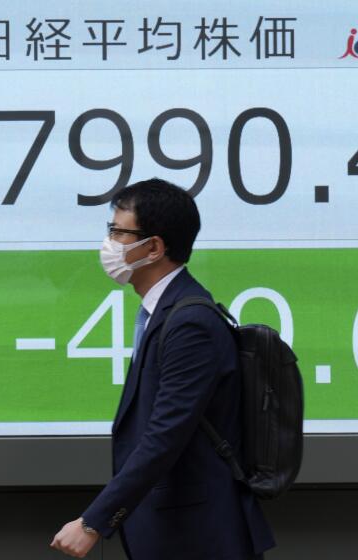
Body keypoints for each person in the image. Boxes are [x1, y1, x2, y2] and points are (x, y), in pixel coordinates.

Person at [51, 179, 275, 559]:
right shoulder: (165, 313)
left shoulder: (190, 324)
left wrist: (93, 522)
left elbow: (165, 435)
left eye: (118, 232)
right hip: (176, 532)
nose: (109, 244)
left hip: (197, 539)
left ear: (154, 247)